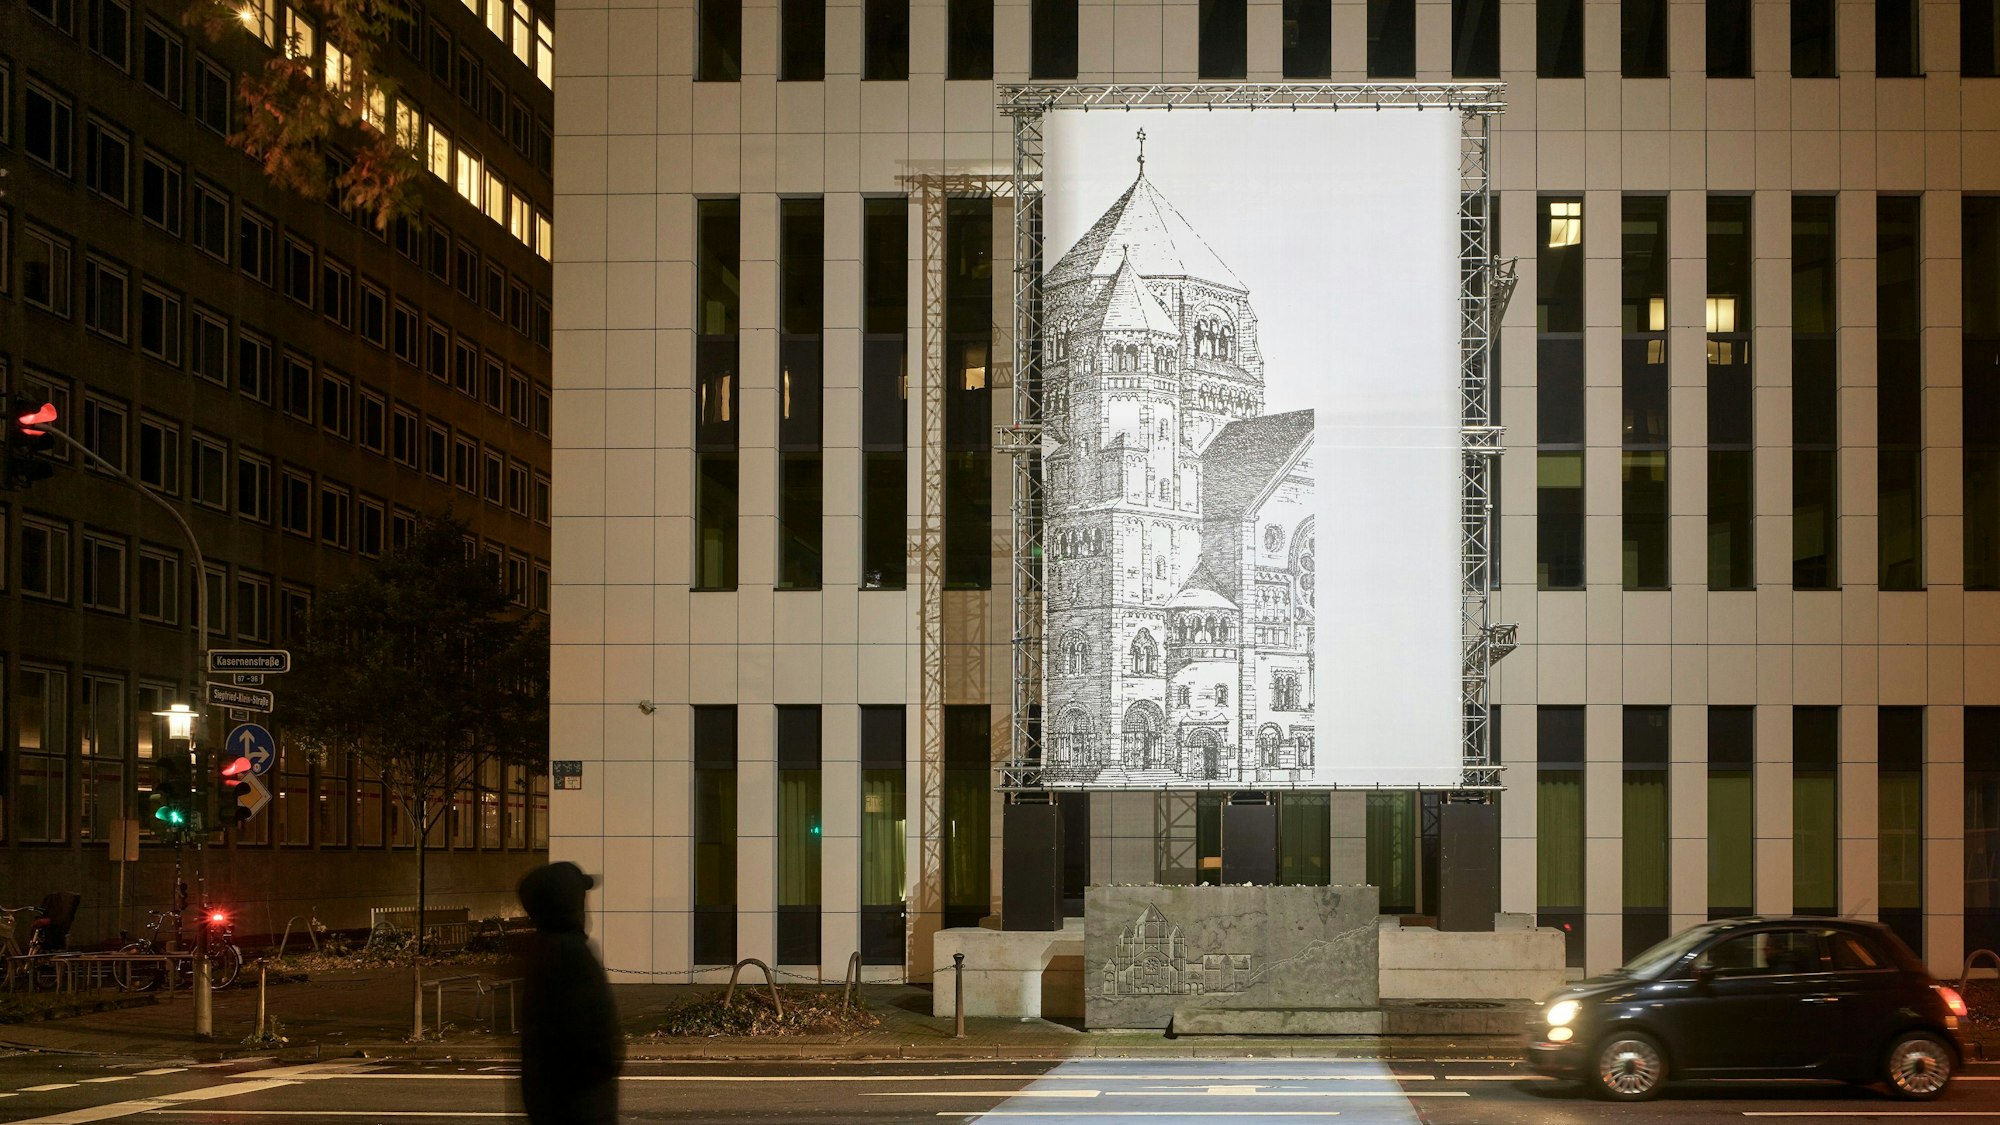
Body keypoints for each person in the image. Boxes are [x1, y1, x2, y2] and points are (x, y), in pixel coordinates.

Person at [517, 861, 623, 1124]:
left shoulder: (541, 951)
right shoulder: (572, 956)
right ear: (571, 904)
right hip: (582, 1105)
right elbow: (594, 1034)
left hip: (552, 1101)